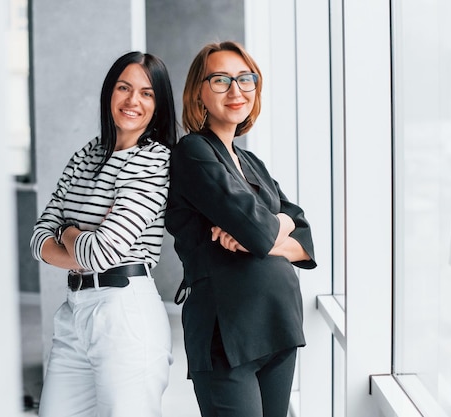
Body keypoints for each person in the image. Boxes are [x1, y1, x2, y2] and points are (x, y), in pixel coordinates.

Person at [165, 41, 317, 417]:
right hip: (226, 333)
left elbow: (305, 241)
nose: (236, 90)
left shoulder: (252, 162)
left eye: (245, 79)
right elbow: (263, 233)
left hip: (278, 325)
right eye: (220, 80)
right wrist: (274, 229)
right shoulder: (193, 152)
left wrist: (274, 227)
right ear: (198, 92)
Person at [30, 51, 178, 417]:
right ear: (109, 93)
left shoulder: (154, 161)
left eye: (147, 93)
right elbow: (38, 240)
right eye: (123, 88)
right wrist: (77, 236)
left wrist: (64, 230)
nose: (132, 100)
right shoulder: (86, 155)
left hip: (124, 313)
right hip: (73, 313)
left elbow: (102, 254)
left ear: (158, 105)